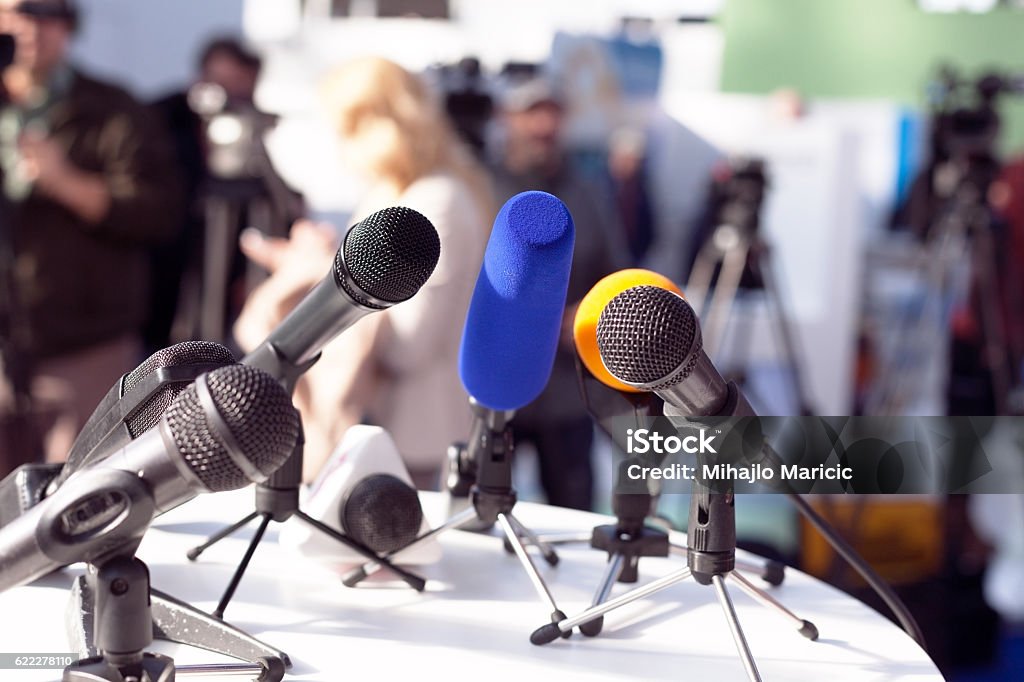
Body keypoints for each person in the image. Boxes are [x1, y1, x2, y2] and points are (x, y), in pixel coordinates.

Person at [234, 57, 493, 486]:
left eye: (347, 132)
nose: (342, 149)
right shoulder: (403, 191)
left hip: (411, 440)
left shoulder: (436, 200)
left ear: (380, 127)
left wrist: (322, 270)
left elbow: (408, 346)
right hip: (383, 432)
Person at [0, 0, 180, 468]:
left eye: (45, 15)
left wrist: (68, 183)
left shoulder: (113, 108)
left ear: (68, 26)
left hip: (85, 346)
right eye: (15, 12)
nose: (29, 28)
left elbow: (159, 213)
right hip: (5, 346)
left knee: (78, 504)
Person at [488, 70, 629, 510]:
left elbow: (616, 278)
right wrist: (539, 320)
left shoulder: (588, 193)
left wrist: (586, 315)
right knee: (483, 523)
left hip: (569, 394)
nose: (544, 126)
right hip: (496, 390)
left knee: (574, 519)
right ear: (506, 117)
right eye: (532, 113)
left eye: (553, 113)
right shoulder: (479, 189)